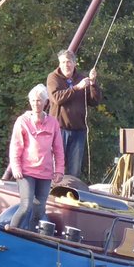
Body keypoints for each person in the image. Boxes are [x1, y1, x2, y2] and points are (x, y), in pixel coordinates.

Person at [4, 84, 65, 231]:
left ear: (45, 102)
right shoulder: (22, 121)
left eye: (38, 100)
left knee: (39, 210)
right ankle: (11, 231)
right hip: (26, 171)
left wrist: (59, 170)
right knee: (26, 206)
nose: (35, 104)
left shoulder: (53, 123)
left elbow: (58, 149)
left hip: (45, 172)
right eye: (32, 100)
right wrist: (16, 167)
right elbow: (15, 146)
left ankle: (31, 236)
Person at [46, 48, 100, 179]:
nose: (66, 65)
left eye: (69, 62)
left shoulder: (81, 78)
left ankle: (70, 195)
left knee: (74, 171)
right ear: (59, 64)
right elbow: (57, 98)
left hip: (78, 130)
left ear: (75, 63)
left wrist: (93, 84)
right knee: (55, 167)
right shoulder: (53, 78)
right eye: (63, 62)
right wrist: (76, 88)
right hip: (59, 130)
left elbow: (94, 101)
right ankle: (50, 194)